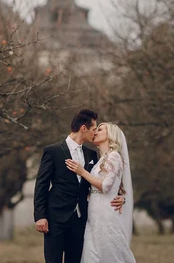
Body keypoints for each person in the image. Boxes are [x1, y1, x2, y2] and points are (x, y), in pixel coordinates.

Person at [34, 110, 126, 263]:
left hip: (81, 219)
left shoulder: (91, 154)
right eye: (94, 128)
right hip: (55, 217)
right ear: (84, 128)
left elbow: (101, 183)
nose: (95, 132)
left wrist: (121, 198)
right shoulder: (53, 151)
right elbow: (41, 185)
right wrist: (40, 216)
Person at [65, 122, 136, 263]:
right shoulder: (101, 159)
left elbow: (106, 186)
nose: (95, 131)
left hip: (106, 214)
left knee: (110, 253)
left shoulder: (114, 156)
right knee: (92, 255)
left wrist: (82, 171)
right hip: (93, 214)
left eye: (100, 129)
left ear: (110, 134)